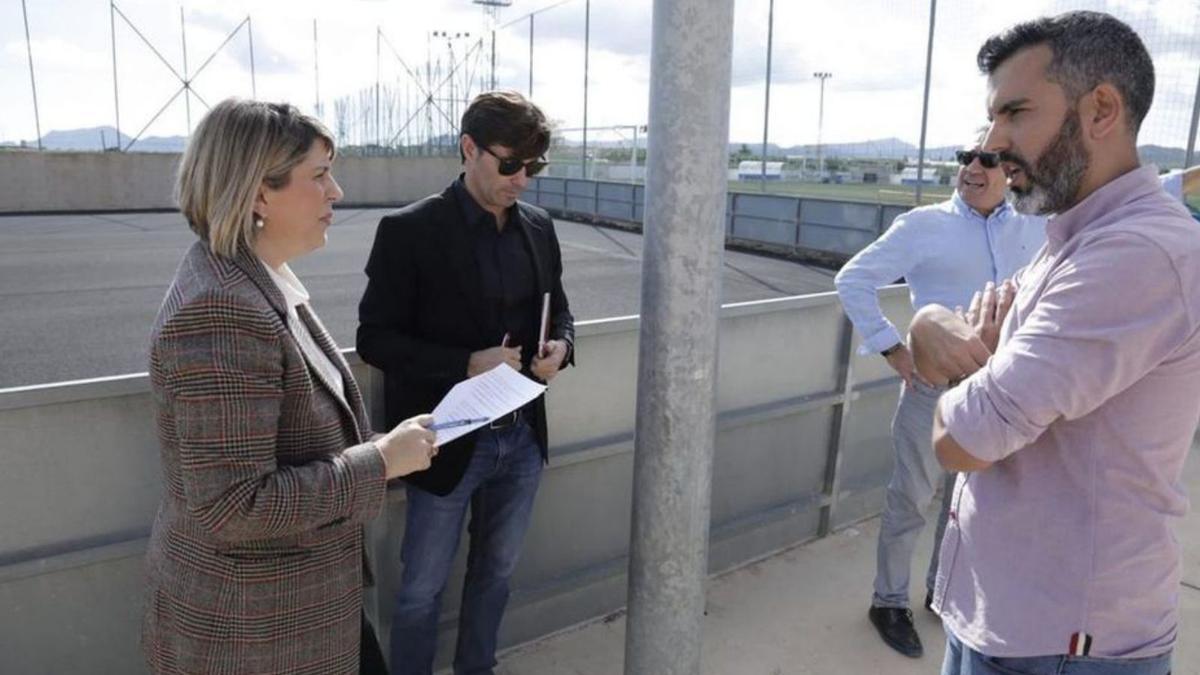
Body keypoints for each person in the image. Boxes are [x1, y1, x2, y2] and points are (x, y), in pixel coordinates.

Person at [908, 11, 1200, 674]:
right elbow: (974, 355)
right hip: (1010, 616)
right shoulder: (1076, 240)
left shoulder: (1138, 254)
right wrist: (930, 321)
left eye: (1015, 112)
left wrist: (952, 368)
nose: (993, 141)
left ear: (1101, 109)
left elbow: (964, 441)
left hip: (1064, 644)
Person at [141, 99, 438, 675]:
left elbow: (290, 439)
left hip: (298, 610)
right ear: (257, 193)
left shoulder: (253, 279)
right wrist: (379, 461)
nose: (337, 192)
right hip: (255, 629)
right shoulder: (222, 309)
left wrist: (384, 445)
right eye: (320, 174)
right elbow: (232, 505)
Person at [357, 90, 574, 675]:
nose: (522, 180)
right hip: (445, 440)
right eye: (510, 165)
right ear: (468, 148)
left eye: (534, 167)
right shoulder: (410, 230)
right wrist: (465, 363)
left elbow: (563, 312)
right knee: (421, 590)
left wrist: (562, 348)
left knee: (497, 574)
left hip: (522, 435)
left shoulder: (539, 226)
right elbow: (374, 339)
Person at [834, 136, 1045, 658]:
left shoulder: (1035, 223)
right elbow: (853, 279)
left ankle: (938, 594)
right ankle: (887, 602)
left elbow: (1131, 192)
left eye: (987, 159)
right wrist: (891, 349)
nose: (972, 167)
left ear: (1011, 169)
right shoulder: (924, 226)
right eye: (964, 158)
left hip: (997, 393)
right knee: (910, 500)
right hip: (932, 392)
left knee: (965, 505)